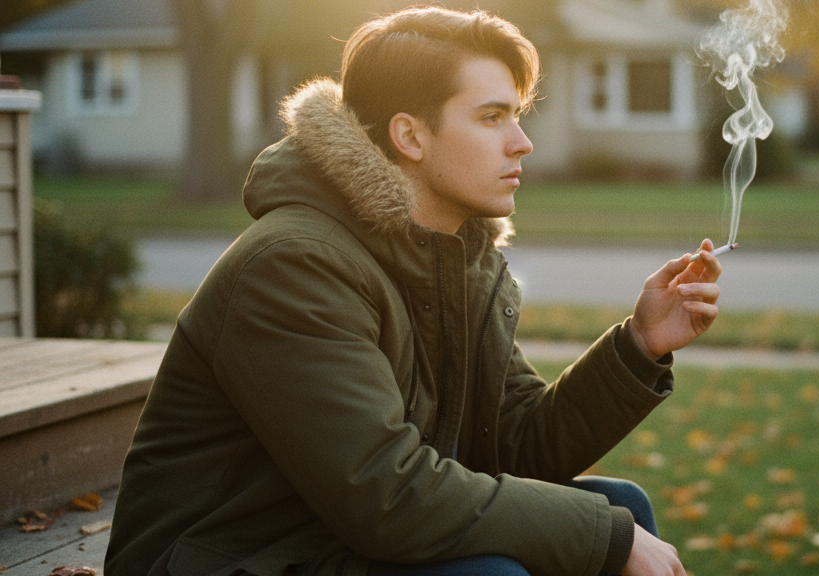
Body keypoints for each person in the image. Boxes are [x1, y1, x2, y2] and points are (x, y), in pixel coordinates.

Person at [105, 6, 722, 576]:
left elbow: (511, 445)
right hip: (231, 557)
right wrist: (606, 542)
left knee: (623, 505)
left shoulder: (456, 260)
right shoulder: (295, 266)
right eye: (491, 117)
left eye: (517, 115)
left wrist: (638, 346)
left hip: (328, 537)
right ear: (410, 136)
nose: (521, 142)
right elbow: (385, 494)